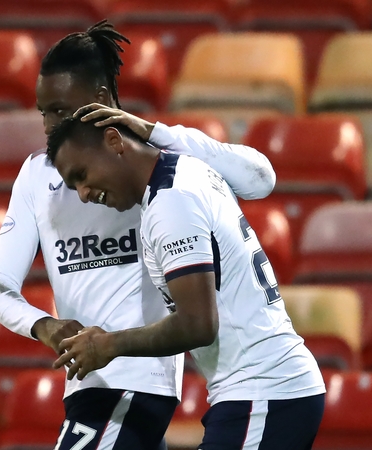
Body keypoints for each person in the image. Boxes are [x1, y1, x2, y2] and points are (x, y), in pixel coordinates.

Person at [0, 21, 276, 450]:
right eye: (43, 112)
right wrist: (44, 326)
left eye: (60, 111)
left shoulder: (155, 163)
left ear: (101, 101)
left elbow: (260, 178)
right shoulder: (35, 176)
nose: (48, 125)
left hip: (139, 379)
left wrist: (154, 131)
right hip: (85, 382)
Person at [46, 112, 326, 450]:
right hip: (268, 390)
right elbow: (259, 177)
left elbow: (198, 324)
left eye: (82, 175)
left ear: (114, 141)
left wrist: (107, 345)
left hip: (263, 391)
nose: (83, 194)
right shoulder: (188, 169)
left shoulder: (171, 203)